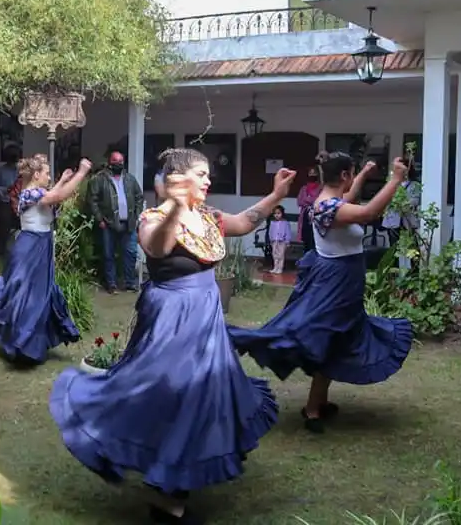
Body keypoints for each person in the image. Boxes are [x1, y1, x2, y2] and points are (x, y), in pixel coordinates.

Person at [50, 147, 293, 525]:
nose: (209, 181)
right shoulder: (154, 217)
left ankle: (173, 489)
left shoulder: (209, 216)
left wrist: (276, 195)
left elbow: (246, 222)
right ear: (178, 178)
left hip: (205, 316)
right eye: (202, 174)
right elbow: (157, 246)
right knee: (170, 392)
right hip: (171, 317)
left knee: (201, 395)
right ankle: (166, 496)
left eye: (209, 174)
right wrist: (177, 207)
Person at [229, 152, 414, 434]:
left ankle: (317, 404)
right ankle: (313, 409)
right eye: (351, 173)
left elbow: (350, 199)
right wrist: (396, 179)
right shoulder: (328, 207)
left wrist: (363, 173)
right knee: (328, 337)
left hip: (345, 282)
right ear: (343, 175)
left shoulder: (332, 203)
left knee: (336, 339)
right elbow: (367, 213)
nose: (352, 179)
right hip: (336, 283)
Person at [0, 154, 90, 365]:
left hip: (41, 245)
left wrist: (63, 180)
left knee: (41, 293)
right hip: (30, 248)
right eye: (47, 173)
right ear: (37, 175)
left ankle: (31, 344)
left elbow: (52, 194)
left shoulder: (37, 192)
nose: (49, 176)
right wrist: (81, 173)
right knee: (27, 296)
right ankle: (20, 345)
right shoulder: (28, 193)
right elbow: (55, 197)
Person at [88, 150, 144, 294]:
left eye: (120, 161)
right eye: (115, 161)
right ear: (109, 162)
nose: (118, 164)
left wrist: (136, 215)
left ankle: (129, 283)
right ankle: (111, 284)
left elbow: (139, 197)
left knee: (130, 253)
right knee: (109, 254)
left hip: (129, 223)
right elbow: (92, 200)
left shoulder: (130, 179)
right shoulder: (100, 179)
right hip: (108, 223)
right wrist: (100, 219)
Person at [0, 146, 21, 261]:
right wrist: (5, 190)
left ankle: (19, 255)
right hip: (6, 203)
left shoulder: (20, 170)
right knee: (4, 227)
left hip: (20, 203)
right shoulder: (0, 170)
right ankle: (0, 256)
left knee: (24, 227)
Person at [381, 163, 421, 249]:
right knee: (393, 249)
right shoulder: (391, 184)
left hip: (408, 221)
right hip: (392, 221)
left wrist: (401, 203)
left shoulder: (415, 185)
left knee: (413, 248)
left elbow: (415, 201)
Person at [296, 167, 321, 253]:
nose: (312, 175)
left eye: (314, 173)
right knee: (306, 238)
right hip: (304, 216)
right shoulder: (303, 188)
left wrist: (307, 200)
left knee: (314, 238)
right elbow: (299, 201)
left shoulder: (320, 188)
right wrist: (310, 201)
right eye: (310, 173)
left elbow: (318, 201)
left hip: (316, 216)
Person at [268, 205, 291, 274]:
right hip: (274, 241)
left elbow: (288, 232)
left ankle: (280, 268)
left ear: (282, 213)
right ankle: (275, 267)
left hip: (282, 241)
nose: (277, 215)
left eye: (278, 213)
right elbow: (270, 231)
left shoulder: (285, 223)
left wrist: (287, 241)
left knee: (280, 255)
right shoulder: (272, 222)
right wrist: (271, 239)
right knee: (274, 254)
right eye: (275, 213)